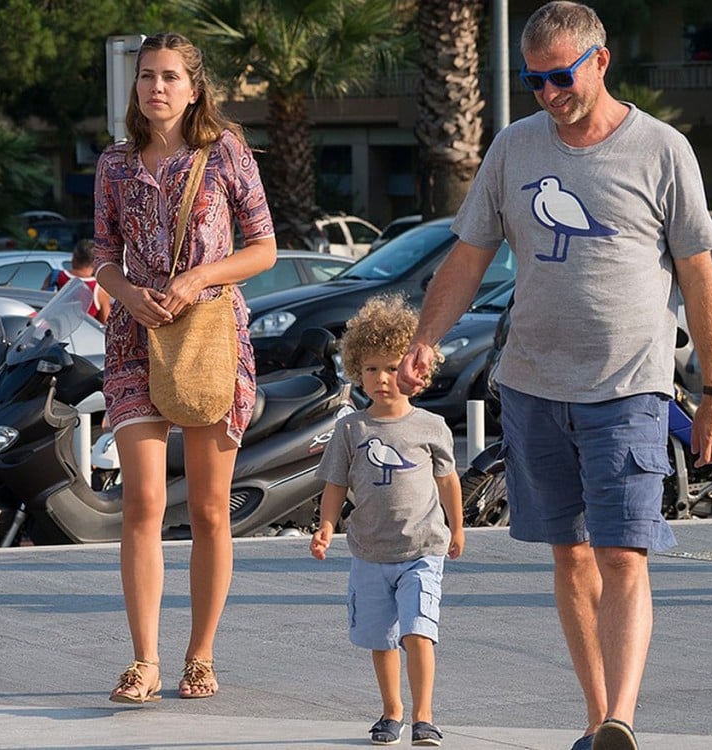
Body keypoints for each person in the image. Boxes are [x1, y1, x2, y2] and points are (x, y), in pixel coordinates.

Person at [397, 4, 712, 750]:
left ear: (600, 62)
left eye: (559, 77)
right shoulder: (514, 149)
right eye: (533, 80)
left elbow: (700, 278)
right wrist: (426, 339)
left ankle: (623, 717)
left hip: (630, 386)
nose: (547, 93)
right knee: (571, 554)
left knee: (621, 551)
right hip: (533, 386)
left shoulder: (663, 150)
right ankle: (595, 719)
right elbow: (470, 256)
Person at [93, 32, 275, 705]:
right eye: (146, 77)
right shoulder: (114, 164)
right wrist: (125, 291)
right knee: (141, 500)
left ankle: (200, 653)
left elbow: (264, 248)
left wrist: (200, 276)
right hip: (133, 339)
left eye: (170, 77)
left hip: (209, 338)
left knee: (206, 509)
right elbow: (103, 251)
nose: (156, 88)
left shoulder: (225, 150)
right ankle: (144, 661)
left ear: (194, 86)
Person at [310, 294, 465, 748]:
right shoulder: (351, 429)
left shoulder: (431, 426)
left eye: (393, 367)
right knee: (381, 638)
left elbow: (448, 480)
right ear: (357, 368)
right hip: (369, 552)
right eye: (372, 368)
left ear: (416, 370)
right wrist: (325, 526)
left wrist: (457, 527)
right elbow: (335, 484)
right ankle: (391, 711)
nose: (382, 379)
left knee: (418, 629)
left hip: (423, 549)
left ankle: (424, 716)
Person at [43, 239, 110, 323]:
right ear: (95, 262)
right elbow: (104, 323)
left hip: (52, 332)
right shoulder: (99, 290)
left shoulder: (55, 276)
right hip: (82, 335)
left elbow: (41, 305)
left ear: (74, 256)